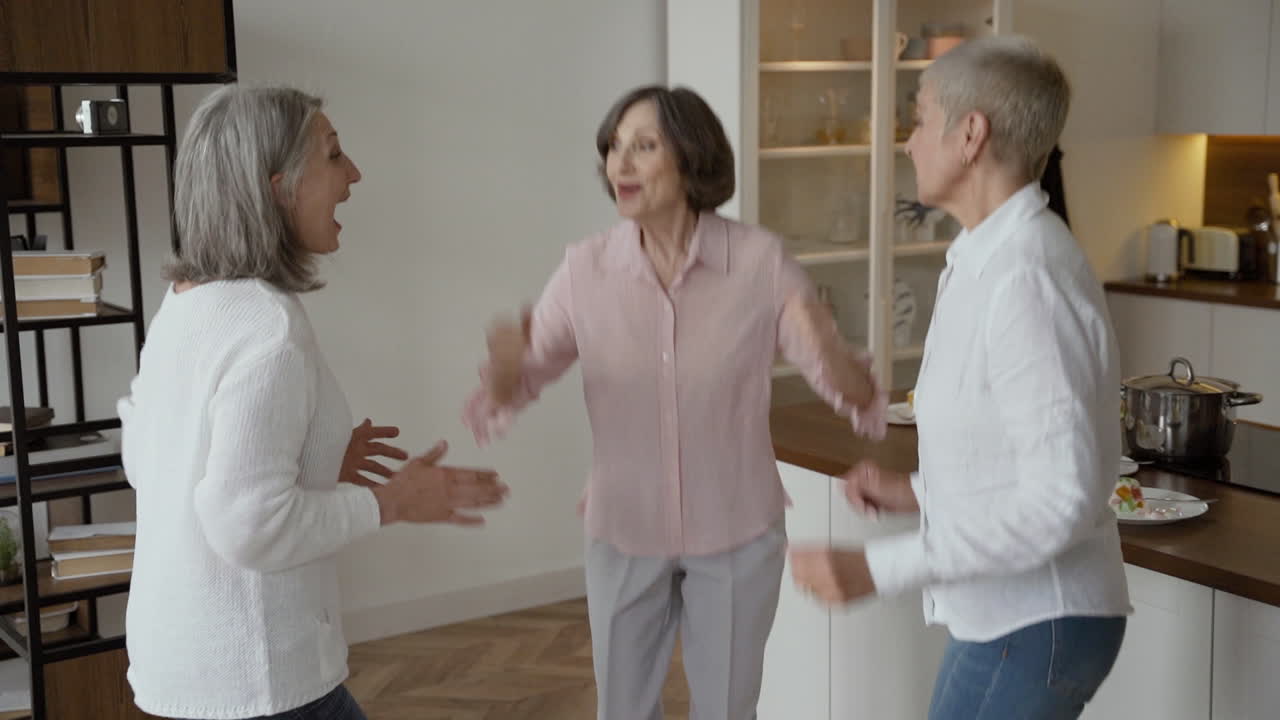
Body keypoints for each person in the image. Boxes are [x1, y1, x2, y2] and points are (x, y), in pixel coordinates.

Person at [463, 85, 886, 720]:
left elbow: (855, 397)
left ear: (690, 157)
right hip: (625, 528)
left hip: (736, 528)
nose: (620, 163)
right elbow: (516, 387)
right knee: (623, 710)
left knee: (726, 710)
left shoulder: (759, 262)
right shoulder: (585, 269)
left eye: (643, 146)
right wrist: (503, 367)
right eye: (614, 147)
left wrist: (827, 343)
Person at [118, 85, 508, 720]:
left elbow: (150, 458)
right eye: (333, 155)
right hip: (256, 680)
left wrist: (313, 459)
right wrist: (391, 501)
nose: (353, 174)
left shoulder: (184, 303)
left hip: (184, 668)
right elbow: (246, 524)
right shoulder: (267, 328)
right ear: (279, 189)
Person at [789, 36, 1131, 719]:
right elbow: (1007, 453)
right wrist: (918, 492)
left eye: (919, 119)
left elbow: (1059, 499)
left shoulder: (1025, 277)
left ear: (971, 134)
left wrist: (878, 567)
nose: (908, 141)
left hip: (1037, 621)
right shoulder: (983, 257)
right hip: (1005, 616)